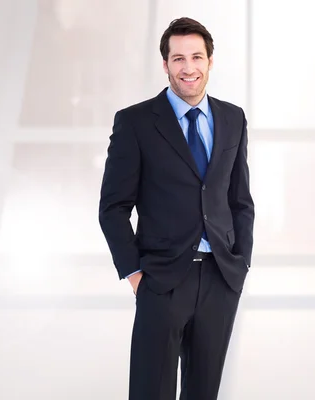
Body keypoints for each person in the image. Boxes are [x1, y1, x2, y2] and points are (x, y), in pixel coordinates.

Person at [98, 17, 254, 400]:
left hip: (220, 277)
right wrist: (136, 274)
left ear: (210, 61)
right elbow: (113, 207)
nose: (189, 68)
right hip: (161, 280)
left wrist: (240, 262)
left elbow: (241, 201)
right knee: (152, 391)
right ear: (165, 64)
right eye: (178, 58)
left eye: (197, 57)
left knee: (204, 393)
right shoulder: (135, 122)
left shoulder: (233, 119)